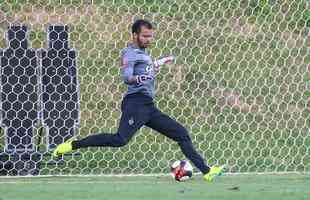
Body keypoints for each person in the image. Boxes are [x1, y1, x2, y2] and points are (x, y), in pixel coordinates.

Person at [53, 19, 223, 181]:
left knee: (181, 134)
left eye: (150, 36)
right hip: (135, 104)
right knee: (120, 139)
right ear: (135, 35)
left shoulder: (143, 54)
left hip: (148, 107)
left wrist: (160, 62)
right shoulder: (129, 53)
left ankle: (207, 172)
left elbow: (147, 68)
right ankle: (72, 145)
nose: (149, 39)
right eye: (145, 36)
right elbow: (127, 77)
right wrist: (140, 78)